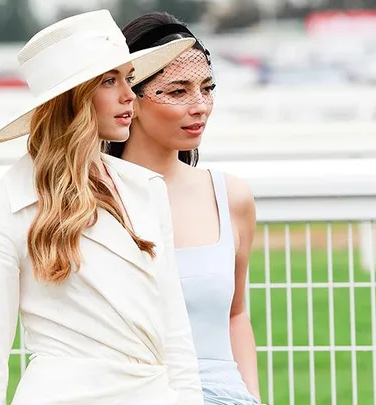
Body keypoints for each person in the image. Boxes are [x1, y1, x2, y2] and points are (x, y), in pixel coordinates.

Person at [0, 10, 205, 405]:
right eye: (109, 80)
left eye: (128, 78)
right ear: (72, 97)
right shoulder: (4, 204)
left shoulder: (145, 189)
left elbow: (176, 336)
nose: (128, 95)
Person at [106, 11, 263, 405]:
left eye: (206, 88)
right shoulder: (92, 200)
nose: (200, 106)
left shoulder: (230, 197)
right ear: (130, 99)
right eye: (177, 92)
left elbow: (235, 315)